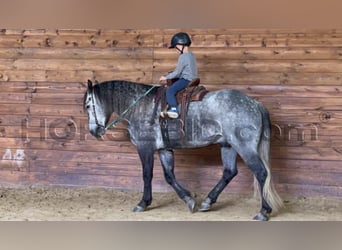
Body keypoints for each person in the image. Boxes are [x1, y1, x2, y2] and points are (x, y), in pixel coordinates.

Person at [159, 32, 198, 119]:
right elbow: (187, 68)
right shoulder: (192, 55)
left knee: (170, 90)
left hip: (186, 80)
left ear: (181, 45)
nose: (176, 49)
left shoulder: (183, 56)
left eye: (175, 47)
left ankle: (174, 109)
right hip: (193, 79)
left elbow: (177, 72)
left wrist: (166, 77)